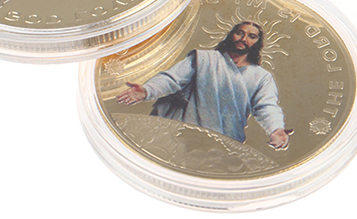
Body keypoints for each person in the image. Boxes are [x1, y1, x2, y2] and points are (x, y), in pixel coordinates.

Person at [116, 21, 292, 148]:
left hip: (223, 141)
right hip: (181, 131)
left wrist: (275, 128)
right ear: (231, 35)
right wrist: (147, 90)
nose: (244, 38)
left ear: (257, 43)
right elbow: (172, 79)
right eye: (240, 33)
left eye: (251, 36)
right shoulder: (204, 59)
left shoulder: (261, 77)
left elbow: (266, 106)